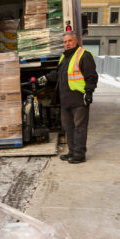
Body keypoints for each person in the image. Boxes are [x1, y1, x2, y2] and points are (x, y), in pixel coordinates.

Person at [50, 30, 98, 163]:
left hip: (78, 99)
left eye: (70, 41)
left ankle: (79, 154)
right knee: (68, 127)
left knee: (79, 127)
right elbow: (59, 74)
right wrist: (46, 78)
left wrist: (88, 93)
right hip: (65, 99)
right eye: (65, 42)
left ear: (76, 41)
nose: (67, 44)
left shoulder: (84, 55)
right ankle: (72, 151)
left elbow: (91, 76)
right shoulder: (64, 57)